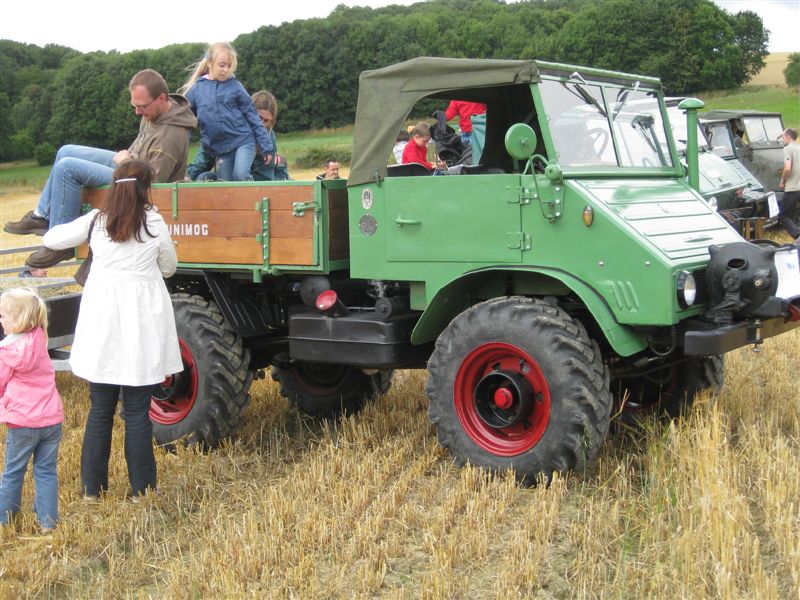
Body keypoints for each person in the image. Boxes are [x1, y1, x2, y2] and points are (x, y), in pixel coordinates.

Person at [42, 160, 182, 500]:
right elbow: (169, 267)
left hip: (102, 320)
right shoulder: (153, 222)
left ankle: (92, 490)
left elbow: (52, 236)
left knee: (99, 408)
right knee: (136, 411)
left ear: (115, 187)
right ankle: (142, 492)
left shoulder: (96, 221)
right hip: (141, 324)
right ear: (146, 188)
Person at [4, 69, 197, 271]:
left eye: (141, 107)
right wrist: (126, 159)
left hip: (134, 180)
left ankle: (59, 242)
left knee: (67, 168)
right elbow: (139, 146)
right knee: (66, 151)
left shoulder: (171, 135)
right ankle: (41, 215)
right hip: (129, 164)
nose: (137, 112)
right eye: (134, 105)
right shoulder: (155, 112)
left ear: (162, 98)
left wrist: (125, 162)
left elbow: (151, 182)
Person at [0, 288, 64, 532]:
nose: (0, 320)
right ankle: (48, 522)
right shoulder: (40, 338)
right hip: (50, 419)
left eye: (3, 316)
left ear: (17, 321)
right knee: (46, 471)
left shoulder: (6, 352)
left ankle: (5, 518)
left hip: (23, 422)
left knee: (13, 472)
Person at [180, 42, 274, 182]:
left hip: (243, 141)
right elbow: (184, 117)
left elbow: (253, 116)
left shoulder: (235, 86)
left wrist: (266, 146)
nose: (226, 70)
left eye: (229, 66)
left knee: (240, 175)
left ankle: (252, 197)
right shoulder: (197, 90)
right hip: (221, 149)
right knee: (226, 185)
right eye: (222, 65)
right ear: (210, 62)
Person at [187, 90, 289, 181]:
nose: (261, 124)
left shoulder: (268, 138)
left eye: (266, 121)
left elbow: (264, 177)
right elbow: (205, 155)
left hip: (253, 179)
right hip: (227, 175)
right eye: (258, 117)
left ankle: (280, 168)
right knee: (203, 177)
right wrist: (189, 176)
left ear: (271, 122)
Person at [778, 127, 800, 240]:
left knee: (783, 215)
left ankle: (797, 235)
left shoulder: (788, 149)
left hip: (792, 188)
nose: (783, 140)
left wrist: (782, 181)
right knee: (796, 214)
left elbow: (787, 168)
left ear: (788, 137)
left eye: (783, 137)